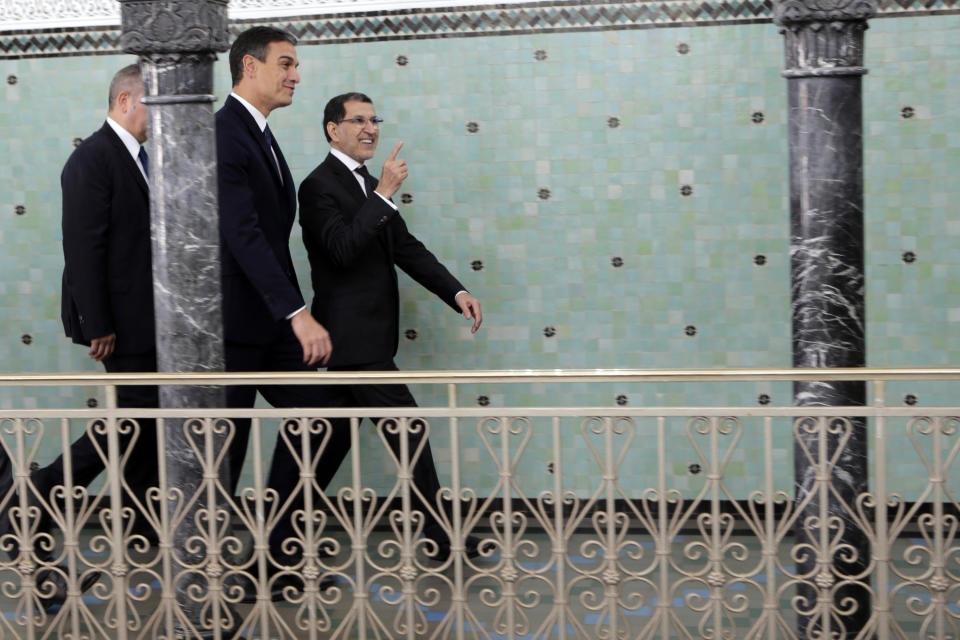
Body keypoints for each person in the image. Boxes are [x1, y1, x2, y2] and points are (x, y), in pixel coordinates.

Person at [297, 92, 488, 562]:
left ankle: (278, 541)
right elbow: (342, 250)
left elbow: (405, 248)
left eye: (374, 119)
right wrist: (383, 193)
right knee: (410, 433)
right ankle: (443, 539)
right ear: (332, 129)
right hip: (354, 342)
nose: (370, 128)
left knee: (320, 454)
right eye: (357, 120)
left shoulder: (365, 186)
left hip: (360, 345)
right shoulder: (317, 187)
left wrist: (456, 292)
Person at [0, 64, 158, 609]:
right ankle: (39, 492)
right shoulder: (91, 159)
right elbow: (83, 247)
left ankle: (140, 533)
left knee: (142, 426)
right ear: (123, 100)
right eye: (150, 105)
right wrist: (99, 323)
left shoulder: (138, 159)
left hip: (145, 320)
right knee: (132, 422)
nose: (158, 119)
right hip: (121, 325)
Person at [215, 26, 336, 600]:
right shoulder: (224, 134)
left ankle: (274, 554)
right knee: (225, 454)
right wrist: (298, 313)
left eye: (296, 65)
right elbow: (241, 235)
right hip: (238, 325)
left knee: (324, 417)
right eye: (286, 63)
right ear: (249, 67)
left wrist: (296, 313)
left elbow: (272, 236)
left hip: (273, 321)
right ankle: (207, 580)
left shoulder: (259, 134)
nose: (295, 74)